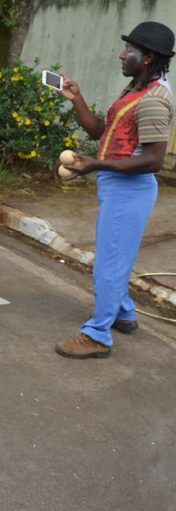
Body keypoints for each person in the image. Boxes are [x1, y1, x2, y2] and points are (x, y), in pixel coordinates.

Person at [54, 22, 175, 359]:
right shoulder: (136, 88)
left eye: (130, 50)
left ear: (148, 57)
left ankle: (97, 336)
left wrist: (96, 165)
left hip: (130, 191)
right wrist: (76, 99)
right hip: (117, 185)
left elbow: (153, 161)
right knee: (115, 257)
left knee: (108, 265)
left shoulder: (153, 100)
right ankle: (123, 312)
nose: (121, 55)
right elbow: (101, 134)